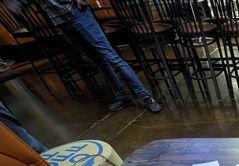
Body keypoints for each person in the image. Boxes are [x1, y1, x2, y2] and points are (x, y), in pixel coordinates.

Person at [4, 0, 162, 113]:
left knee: (111, 57)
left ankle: (146, 97)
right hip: (61, 21)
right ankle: (122, 96)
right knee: (98, 60)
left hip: (77, 13)